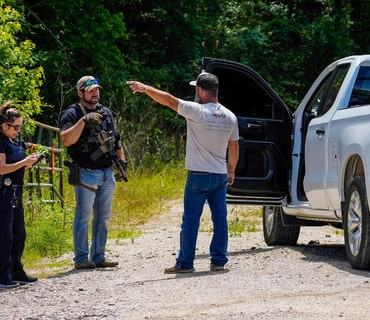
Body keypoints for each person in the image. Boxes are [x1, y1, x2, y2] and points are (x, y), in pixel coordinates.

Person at [126, 72, 239, 274]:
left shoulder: (196, 111)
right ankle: (219, 261)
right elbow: (234, 147)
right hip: (220, 175)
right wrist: (231, 170)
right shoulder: (230, 116)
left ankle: (185, 263)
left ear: (201, 90)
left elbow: (168, 100)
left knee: (190, 220)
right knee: (220, 220)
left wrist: (145, 88)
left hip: (198, 175)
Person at [60, 76, 125, 269]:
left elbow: (116, 139)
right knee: (83, 217)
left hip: (106, 172)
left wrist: (122, 163)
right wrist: (83, 121)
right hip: (86, 173)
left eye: (97, 90)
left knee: (103, 217)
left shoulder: (105, 111)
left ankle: (99, 256)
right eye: (90, 91)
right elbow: (66, 140)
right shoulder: (72, 113)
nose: (95, 93)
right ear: (80, 93)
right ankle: (81, 258)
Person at [0, 101, 41, 288]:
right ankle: (2, 277)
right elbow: (1, 168)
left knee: (19, 233)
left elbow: (18, 164)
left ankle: (17, 271)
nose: (18, 131)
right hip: (1, 193)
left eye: (20, 127)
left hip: (16, 192)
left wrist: (30, 161)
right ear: (4, 126)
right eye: (15, 127)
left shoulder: (14, 142)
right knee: (5, 235)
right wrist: (24, 162)